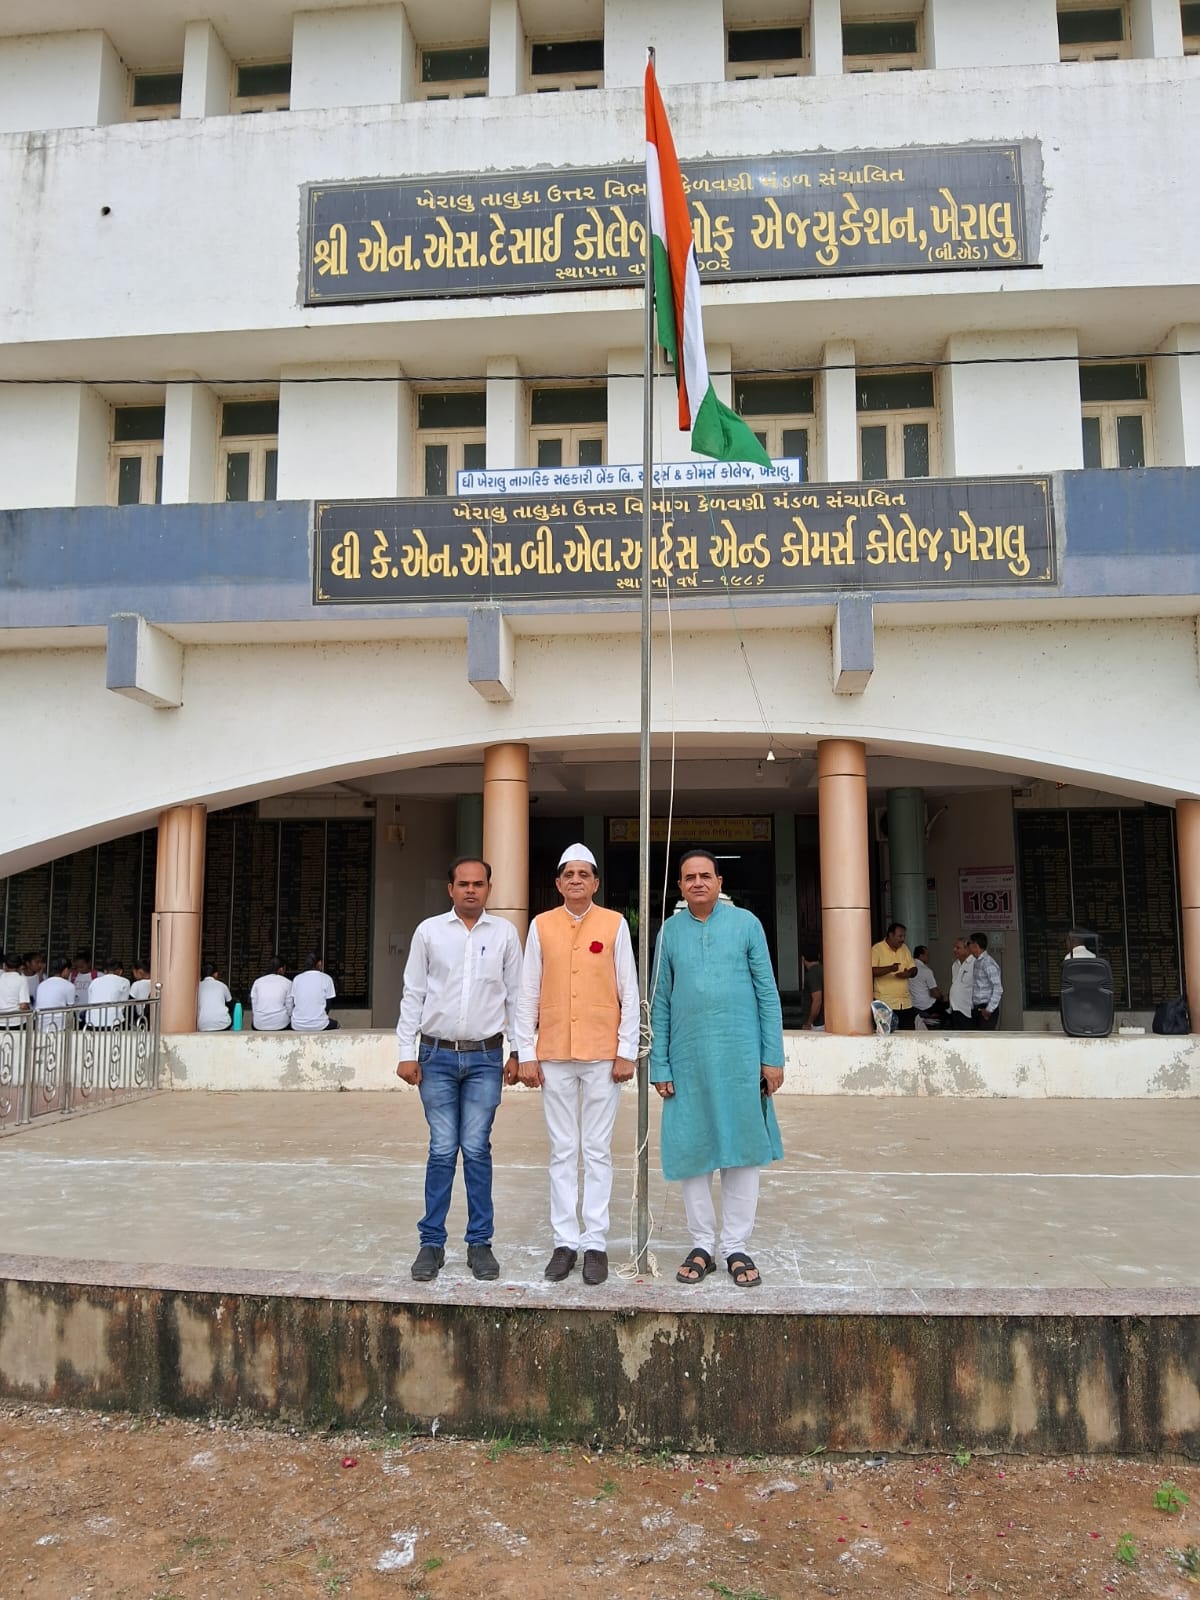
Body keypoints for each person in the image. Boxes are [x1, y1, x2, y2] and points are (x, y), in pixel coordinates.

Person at [650, 849, 784, 1289]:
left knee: (742, 1150)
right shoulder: (670, 932)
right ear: (679, 886)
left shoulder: (746, 925)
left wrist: (772, 1057)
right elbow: (660, 1001)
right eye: (689, 877)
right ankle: (702, 1245)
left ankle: (736, 1247)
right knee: (693, 1150)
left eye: (705, 875)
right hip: (687, 1061)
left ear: (719, 882)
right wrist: (660, 1064)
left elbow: (768, 993)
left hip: (740, 1059)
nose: (698, 882)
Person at [514, 843, 638, 1287]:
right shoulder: (541, 925)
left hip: (603, 1053)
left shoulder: (615, 924)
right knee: (563, 1150)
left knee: (598, 1149)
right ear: (558, 882)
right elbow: (527, 992)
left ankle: (595, 1243)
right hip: (554, 1052)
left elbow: (629, 990)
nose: (576, 880)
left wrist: (626, 1050)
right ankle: (565, 1242)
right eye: (569, 874)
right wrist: (526, 1053)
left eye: (584, 874)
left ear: (595, 882)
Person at [396, 856, 523, 1284]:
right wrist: (405, 1051)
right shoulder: (429, 932)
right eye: (463, 883)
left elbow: (517, 997)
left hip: (486, 1058)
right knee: (442, 1148)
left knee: (476, 1148)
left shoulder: (504, 934)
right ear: (450, 889)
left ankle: (479, 1243)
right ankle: (431, 1243)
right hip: (436, 1057)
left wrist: (519, 1052)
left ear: (489, 888)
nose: (471, 890)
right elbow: (413, 993)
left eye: (478, 883)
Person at [871, 922, 918, 1031]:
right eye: (900, 936)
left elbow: (914, 969)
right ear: (890, 935)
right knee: (887, 1036)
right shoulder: (877, 949)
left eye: (904, 936)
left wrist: (909, 973)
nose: (902, 939)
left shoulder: (904, 948)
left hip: (905, 1003)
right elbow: (871, 971)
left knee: (909, 1036)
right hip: (886, 1004)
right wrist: (890, 969)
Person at [290, 954, 339, 1032]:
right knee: (337, 1024)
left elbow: (293, 1002)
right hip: (320, 1024)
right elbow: (328, 1004)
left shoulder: (297, 979)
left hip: (297, 1024)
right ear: (319, 963)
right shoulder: (327, 978)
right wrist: (319, 1018)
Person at [968, 932, 1003, 1029]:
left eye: (969, 943)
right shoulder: (977, 962)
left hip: (986, 1009)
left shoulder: (988, 963)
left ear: (975, 945)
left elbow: (998, 988)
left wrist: (989, 1009)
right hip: (976, 1008)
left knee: (985, 1037)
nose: (968, 946)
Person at [250, 957, 293, 1032]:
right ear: (281, 969)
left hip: (259, 1025)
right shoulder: (288, 982)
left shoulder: (257, 982)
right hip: (281, 1024)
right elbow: (290, 1009)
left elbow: (254, 1006)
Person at [86, 958, 130, 1029]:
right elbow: (123, 1004)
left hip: (91, 1021)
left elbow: (90, 1001)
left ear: (105, 971)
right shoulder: (124, 981)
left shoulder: (94, 981)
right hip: (114, 1021)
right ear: (120, 971)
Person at [35, 958, 75, 1032]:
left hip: (40, 1023)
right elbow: (70, 1008)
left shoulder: (42, 984)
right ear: (66, 970)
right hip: (59, 1024)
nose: (70, 973)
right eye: (70, 971)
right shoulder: (69, 985)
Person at [909, 944, 944, 1026]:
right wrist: (942, 998)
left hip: (912, 1004)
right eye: (927, 955)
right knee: (947, 1013)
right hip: (926, 1005)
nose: (929, 957)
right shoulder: (926, 970)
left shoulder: (908, 968)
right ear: (921, 956)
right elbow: (935, 993)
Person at [945, 936, 975, 1029]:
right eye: (954, 947)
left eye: (958, 948)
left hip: (968, 1009)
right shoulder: (955, 964)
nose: (954, 950)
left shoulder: (975, 963)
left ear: (967, 949)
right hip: (955, 1008)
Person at [196, 962, 233, 1031]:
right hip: (223, 1025)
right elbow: (230, 1003)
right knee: (236, 1004)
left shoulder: (197, 987)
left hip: (202, 1025)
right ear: (215, 974)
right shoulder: (222, 985)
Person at [0, 951, 31, 1026]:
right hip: (16, 1022)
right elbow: (23, 1005)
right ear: (20, 966)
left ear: (4, 965)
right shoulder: (22, 980)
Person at [800, 944, 824, 1030]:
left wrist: (809, 1023)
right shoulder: (824, 970)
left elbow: (817, 999)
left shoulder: (812, 974)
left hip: (818, 1024)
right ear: (819, 956)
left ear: (803, 958)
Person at [128, 961, 153, 1026]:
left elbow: (130, 1003)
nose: (133, 975)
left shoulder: (136, 984)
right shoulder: (155, 982)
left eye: (133, 972)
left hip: (141, 1018)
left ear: (140, 972)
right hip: (154, 1016)